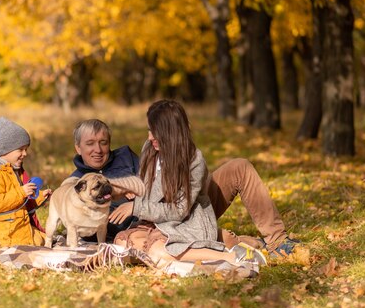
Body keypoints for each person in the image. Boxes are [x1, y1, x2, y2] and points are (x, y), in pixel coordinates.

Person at [109, 99, 266, 271]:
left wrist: (136, 207)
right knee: (121, 242)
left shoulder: (193, 160)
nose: (149, 137)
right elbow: (147, 186)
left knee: (156, 251)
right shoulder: (150, 148)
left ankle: (228, 256)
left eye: (155, 131)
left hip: (185, 221)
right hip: (154, 221)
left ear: (171, 132)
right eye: (149, 130)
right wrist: (126, 190)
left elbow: (179, 210)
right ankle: (213, 246)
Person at [0, 117, 52, 247]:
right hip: (4, 230)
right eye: (20, 149)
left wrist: (40, 196)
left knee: (47, 239)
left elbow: (22, 202)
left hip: (17, 225)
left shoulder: (13, 170)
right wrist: (22, 192)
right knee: (40, 243)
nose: (25, 153)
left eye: (26, 149)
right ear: (6, 150)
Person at [68, 119, 144, 242]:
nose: (98, 150)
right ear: (78, 148)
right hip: (123, 233)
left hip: (150, 219)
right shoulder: (76, 182)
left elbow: (154, 185)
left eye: (103, 143)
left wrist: (137, 189)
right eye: (90, 143)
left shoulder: (126, 157)